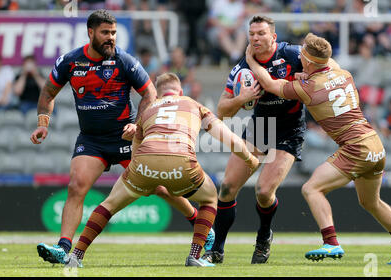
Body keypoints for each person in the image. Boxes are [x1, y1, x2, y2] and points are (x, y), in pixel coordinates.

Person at [30, 10, 210, 265]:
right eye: (105, 33)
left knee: (158, 187)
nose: (111, 38)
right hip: (92, 140)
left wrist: (137, 127)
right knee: (76, 186)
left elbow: (149, 93)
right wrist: (43, 124)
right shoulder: (69, 62)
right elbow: (48, 93)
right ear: (90, 32)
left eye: (113, 33)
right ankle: (63, 248)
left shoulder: (124, 61)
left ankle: (201, 225)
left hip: (126, 138)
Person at [245, 32, 391, 264]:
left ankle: (331, 243)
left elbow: (268, 84)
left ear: (308, 60)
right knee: (370, 202)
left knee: (311, 189)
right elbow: (323, 65)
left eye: (303, 54)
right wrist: (306, 69)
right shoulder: (343, 73)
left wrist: (250, 60)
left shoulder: (307, 88)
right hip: (375, 144)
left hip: (355, 147)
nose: (300, 57)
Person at [65, 73, 259, 268]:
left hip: (143, 164)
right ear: (180, 92)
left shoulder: (149, 109)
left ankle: (76, 255)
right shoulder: (194, 104)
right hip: (181, 163)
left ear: (158, 95)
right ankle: (194, 255)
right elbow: (229, 138)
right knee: (209, 199)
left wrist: (143, 180)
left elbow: (135, 149)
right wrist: (249, 159)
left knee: (108, 205)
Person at [202, 15, 306, 265]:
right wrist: (242, 98)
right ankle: (217, 249)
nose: (256, 38)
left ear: (273, 37)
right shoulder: (241, 68)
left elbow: (324, 63)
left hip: (289, 130)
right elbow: (222, 110)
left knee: (264, 191)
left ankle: (263, 237)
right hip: (261, 127)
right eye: (252, 34)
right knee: (226, 188)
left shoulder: (293, 55)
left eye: (261, 33)